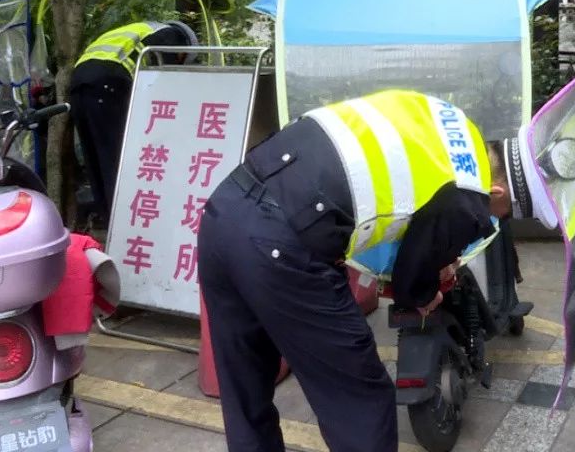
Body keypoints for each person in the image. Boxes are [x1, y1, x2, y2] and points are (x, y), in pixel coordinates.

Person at [197, 89, 549, 452]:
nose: (490, 220)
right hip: (282, 245)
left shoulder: (455, 125)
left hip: (223, 213)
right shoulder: (469, 196)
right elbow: (412, 282)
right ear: (496, 191)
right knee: (362, 402)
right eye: (499, 215)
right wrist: (428, 293)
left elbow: (391, 190)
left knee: (245, 389)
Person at [69, 20, 198, 222]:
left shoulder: (139, 30)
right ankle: (123, 222)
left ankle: (107, 219)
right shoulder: (172, 36)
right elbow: (165, 84)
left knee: (94, 157)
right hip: (108, 82)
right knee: (117, 158)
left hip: (79, 81)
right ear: (185, 50)